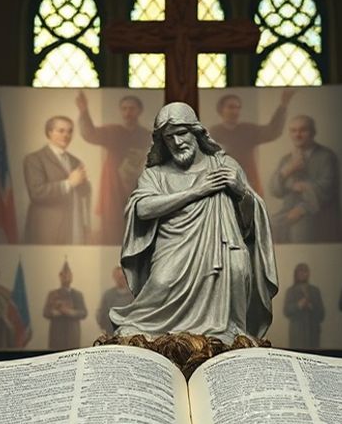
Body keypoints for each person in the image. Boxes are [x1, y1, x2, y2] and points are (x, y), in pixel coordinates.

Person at [111, 102, 279, 342]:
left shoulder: (224, 166)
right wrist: (196, 191)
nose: (177, 142)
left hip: (223, 248)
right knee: (161, 281)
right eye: (170, 137)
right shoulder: (155, 174)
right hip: (174, 249)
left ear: (197, 132)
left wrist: (242, 192)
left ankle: (229, 331)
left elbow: (252, 217)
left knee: (238, 270)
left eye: (182, 133)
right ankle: (141, 325)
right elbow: (143, 209)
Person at [76, 91, 151, 245]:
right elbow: (90, 134)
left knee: (137, 233)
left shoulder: (148, 136)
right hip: (114, 188)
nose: (127, 112)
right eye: (124, 109)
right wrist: (84, 112)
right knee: (112, 232)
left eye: (131, 108)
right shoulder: (113, 131)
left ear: (139, 111)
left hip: (138, 189)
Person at [269, 115, 341, 243]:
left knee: (300, 230)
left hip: (316, 213)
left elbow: (327, 188)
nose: (298, 135)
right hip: (288, 211)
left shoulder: (326, 156)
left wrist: (302, 208)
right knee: (267, 228)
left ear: (313, 133)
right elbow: (275, 191)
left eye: (303, 130)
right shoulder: (286, 159)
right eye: (293, 131)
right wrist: (288, 170)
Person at [208, 90, 295, 196]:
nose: (235, 111)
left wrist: (283, 105)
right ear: (221, 110)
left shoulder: (247, 130)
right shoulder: (213, 133)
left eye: (238, 108)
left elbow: (272, 131)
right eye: (231, 107)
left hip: (249, 184)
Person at [23, 116, 91, 244]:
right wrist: (69, 183)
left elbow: (82, 194)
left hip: (74, 228)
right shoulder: (34, 159)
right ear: (49, 132)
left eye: (70, 131)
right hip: (47, 231)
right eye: (61, 131)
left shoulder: (75, 161)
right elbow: (36, 193)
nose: (66, 135)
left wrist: (85, 184)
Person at [43, 262, 87, 350]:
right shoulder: (52, 294)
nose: (66, 278)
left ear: (72, 277)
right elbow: (46, 313)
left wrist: (70, 312)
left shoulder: (78, 295)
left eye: (69, 275)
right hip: (57, 334)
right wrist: (57, 312)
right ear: (60, 277)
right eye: (64, 275)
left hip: (72, 335)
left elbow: (84, 313)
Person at [283, 263, 324, 348]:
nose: (302, 273)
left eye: (305, 271)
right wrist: (298, 305)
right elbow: (286, 311)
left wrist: (310, 306)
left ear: (308, 273)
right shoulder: (291, 291)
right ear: (296, 274)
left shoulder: (315, 291)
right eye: (300, 271)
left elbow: (322, 314)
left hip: (313, 332)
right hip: (297, 333)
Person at [95, 267, 134, 336]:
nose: (121, 280)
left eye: (123, 277)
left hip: (129, 332)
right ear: (114, 278)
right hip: (111, 332)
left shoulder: (133, 294)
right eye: (119, 277)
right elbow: (101, 313)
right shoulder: (108, 295)